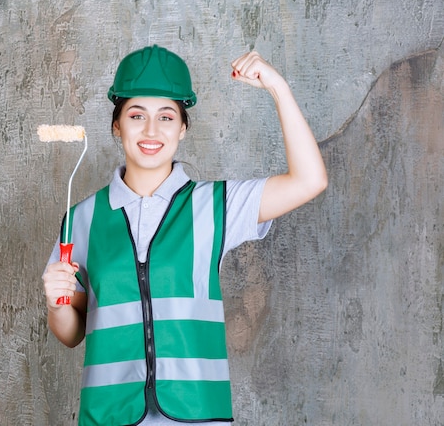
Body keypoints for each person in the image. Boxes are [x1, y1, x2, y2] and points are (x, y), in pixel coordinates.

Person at [42, 44, 327, 425]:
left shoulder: (215, 205)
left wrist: (278, 87)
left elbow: (310, 180)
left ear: (183, 127)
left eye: (166, 116)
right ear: (117, 125)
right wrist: (57, 305)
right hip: (108, 416)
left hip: (196, 415)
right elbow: (71, 333)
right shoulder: (81, 219)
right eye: (136, 114)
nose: (151, 130)